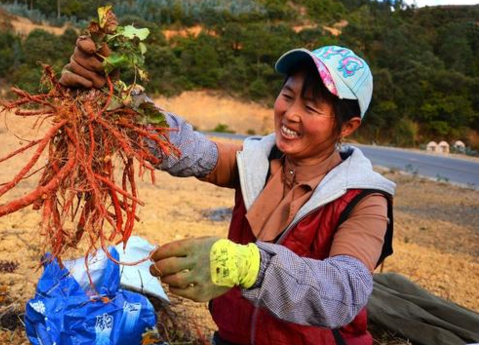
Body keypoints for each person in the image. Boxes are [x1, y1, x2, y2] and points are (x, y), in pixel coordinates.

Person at [61, 38, 395, 345]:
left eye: (310, 107)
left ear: (347, 127)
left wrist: (249, 267)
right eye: (288, 96)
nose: (290, 114)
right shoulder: (258, 162)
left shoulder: (364, 199)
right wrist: (120, 102)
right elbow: (188, 149)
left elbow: (345, 291)